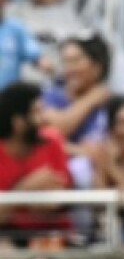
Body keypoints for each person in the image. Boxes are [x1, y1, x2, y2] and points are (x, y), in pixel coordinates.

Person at [0, 81, 75, 247]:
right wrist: (24, 189)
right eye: (36, 112)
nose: (44, 118)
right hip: (10, 235)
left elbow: (59, 201)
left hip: (55, 234)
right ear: (17, 122)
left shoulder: (52, 141)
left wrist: (13, 204)